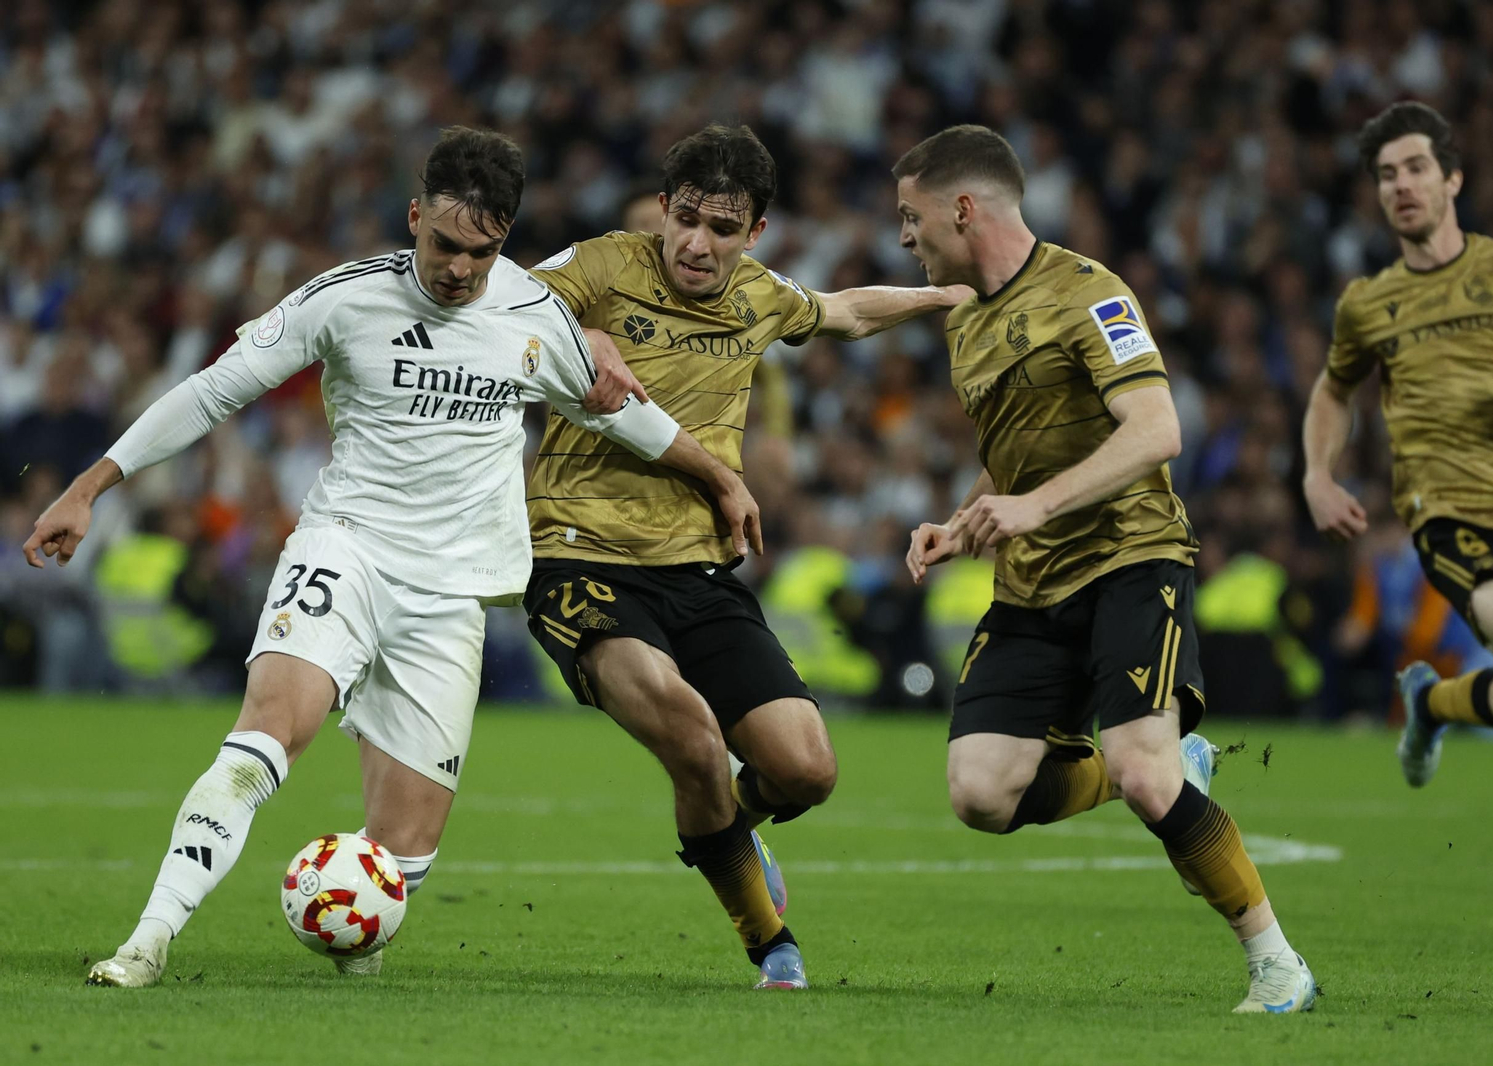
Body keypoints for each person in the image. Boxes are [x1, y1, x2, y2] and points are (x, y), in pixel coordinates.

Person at [24, 126, 754, 987]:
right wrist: (90, 484)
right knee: (264, 739)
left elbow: (623, 414)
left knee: (404, 861)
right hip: (349, 549)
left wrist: (719, 478)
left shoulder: (533, 315)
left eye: (480, 251)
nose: (458, 268)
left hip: (452, 598)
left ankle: (347, 946)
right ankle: (146, 942)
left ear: (505, 240)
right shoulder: (345, 299)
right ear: (414, 217)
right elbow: (213, 389)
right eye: (444, 244)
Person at [524, 123, 968, 989]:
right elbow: (512, 297)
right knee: (691, 734)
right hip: (579, 558)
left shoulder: (760, 296)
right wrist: (588, 337)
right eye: (685, 219)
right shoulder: (608, 264)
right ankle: (773, 947)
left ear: (755, 233)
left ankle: (733, 825)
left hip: (695, 569)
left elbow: (842, 312)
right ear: (662, 209)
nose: (698, 243)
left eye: (723, 229)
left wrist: (943, 299)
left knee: (806, 769)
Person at [896, 125, 1316, 1013]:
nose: (905, 237)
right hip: (1031, 581)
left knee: (1142, 771)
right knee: (980, 795)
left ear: (963, 208)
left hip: (1132, 558)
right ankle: (1172, 761)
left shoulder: (1091, 294)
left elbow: (1158, 430)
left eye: (912, 216)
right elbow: (1015, 453)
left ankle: (1277, 962)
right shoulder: (965, 320)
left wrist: (1033, 507)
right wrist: (969, 514)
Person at [1302, 102, 1493, 861]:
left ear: (1452, 178)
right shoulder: (1368, 305)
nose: (1400, 185)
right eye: (1386, 175)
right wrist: (1316, 473)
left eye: (1416, 168)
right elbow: (1335, 391)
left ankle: (1431, 704)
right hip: (1446, 518)